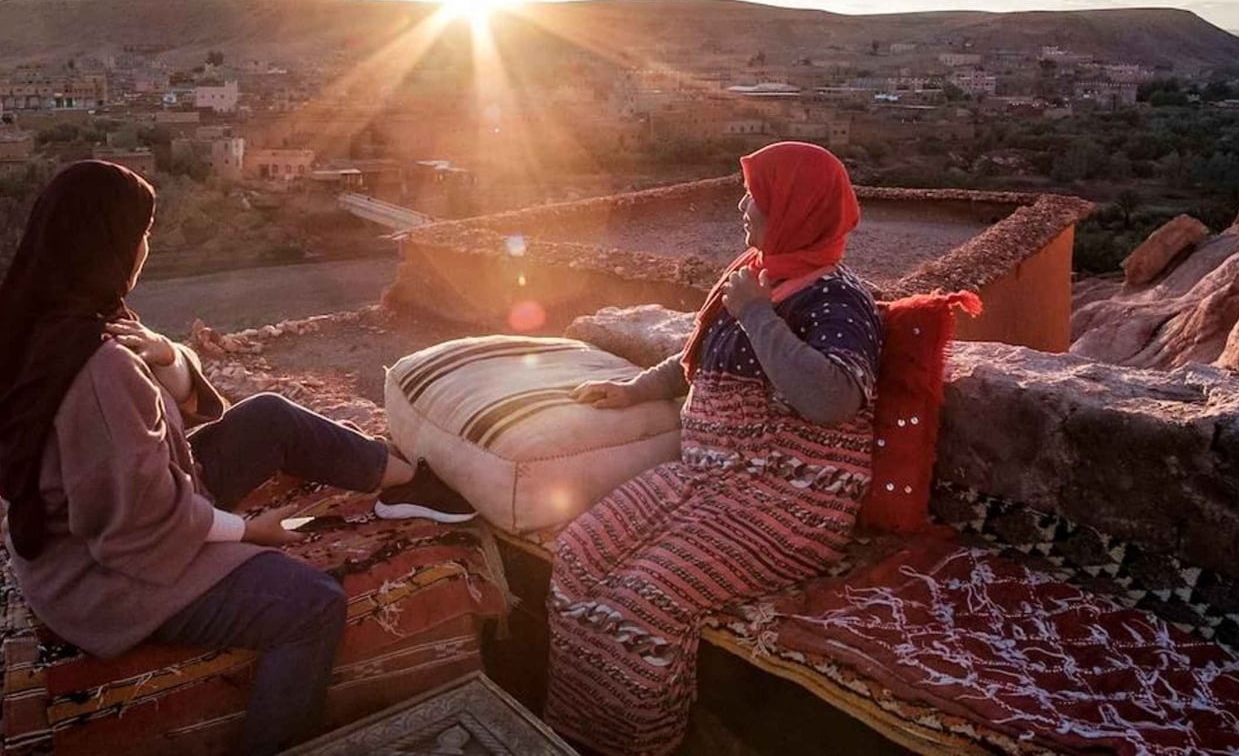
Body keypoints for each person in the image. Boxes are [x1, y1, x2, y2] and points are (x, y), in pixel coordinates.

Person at [0, 161, 475, 756]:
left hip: (117, 515)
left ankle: (404, 480)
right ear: (113, 242)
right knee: (311, 608)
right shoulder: (101, 369)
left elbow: (168, 412)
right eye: (142, 233)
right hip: (106, 574)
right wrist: (248, 531)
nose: (146, 247)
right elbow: (138, 527)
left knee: (270, 415)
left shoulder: (50, 314)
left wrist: (167, 356)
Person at [545, 141, 882, 756]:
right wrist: (634, 389)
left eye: (756, 194)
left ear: (794, 207)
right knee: (577, 556)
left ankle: (640, 745)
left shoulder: (839, 301)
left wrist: (758, 314)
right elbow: (697, 358)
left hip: (786, 505)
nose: (742, 205)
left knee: (645, 601)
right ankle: (577, 732)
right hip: (704, 480)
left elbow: (832, 399)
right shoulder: (755, 273)